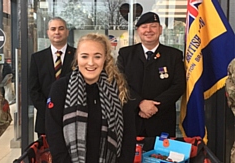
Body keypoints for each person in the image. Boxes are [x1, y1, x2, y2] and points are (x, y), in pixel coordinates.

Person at [46, 33, 136, 163]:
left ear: (105, 58)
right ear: (77, 58)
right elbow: (53, 133)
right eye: (84, 56)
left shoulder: (119, 88)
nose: (91, 63)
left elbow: (129, 136)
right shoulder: (60, 88)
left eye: (97, 56)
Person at [117, 12, 186, 137]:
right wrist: (140, 103)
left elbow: (179, 85)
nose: (148, 30)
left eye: (153, 26)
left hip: (162, 119)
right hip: (132, 119)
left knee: (161, 156)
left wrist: (155, 106)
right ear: (138, 30)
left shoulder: (174, 55)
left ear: (160, 30)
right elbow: (119, 82)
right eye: (144, 27)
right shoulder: (125, 54)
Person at [29, 17, 76, 137]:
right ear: (48, 33)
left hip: (73, 118)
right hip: (45, 119)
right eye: (53, 29)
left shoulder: (78, 56)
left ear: (67, 32)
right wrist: (49, 111)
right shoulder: (37, 58)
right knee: (46, 155)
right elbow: (33, 90)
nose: (57, 32)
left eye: (61, 28)